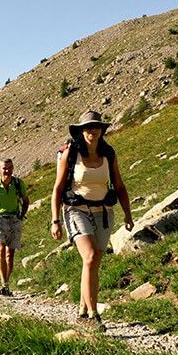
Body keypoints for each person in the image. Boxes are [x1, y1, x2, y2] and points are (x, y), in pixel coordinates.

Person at [50, 110, 134, 326]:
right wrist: (55, 220)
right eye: (87, 127)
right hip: (76, 210)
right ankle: (94, 316)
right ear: (81, 131)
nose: (92, 131)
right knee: (89, 257)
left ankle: (81, 311)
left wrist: (128, 213)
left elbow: (119, 185)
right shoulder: (71, 153)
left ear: (102, 130)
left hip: (104, 212)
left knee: (94, 262)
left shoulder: (108, 153)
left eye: (96, 127)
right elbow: (58, 188)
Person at [0, 158, 29, 296]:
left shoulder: (18, 183)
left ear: (13, 168)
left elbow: (25, 201)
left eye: (9, 168)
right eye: (4, 168)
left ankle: (6, 285)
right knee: (1, 250)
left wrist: (21, 215)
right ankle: (4, 283)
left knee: (10, 255)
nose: (7, 171)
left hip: (14, 220)